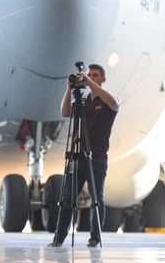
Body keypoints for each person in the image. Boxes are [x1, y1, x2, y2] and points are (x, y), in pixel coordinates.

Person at [49, 63, 120, 249]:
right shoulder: (83, 102)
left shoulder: (106, 101)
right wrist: (69, 89)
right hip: (77, 156)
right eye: (89, 75)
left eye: (95, 75)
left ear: (102, 79)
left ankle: (94, 238)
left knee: (97, 200)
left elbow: (115, 103)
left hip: (97, 157)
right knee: (67, 200)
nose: (91, 78)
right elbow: (64, 112)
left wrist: (90, 83)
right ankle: (58, 238)